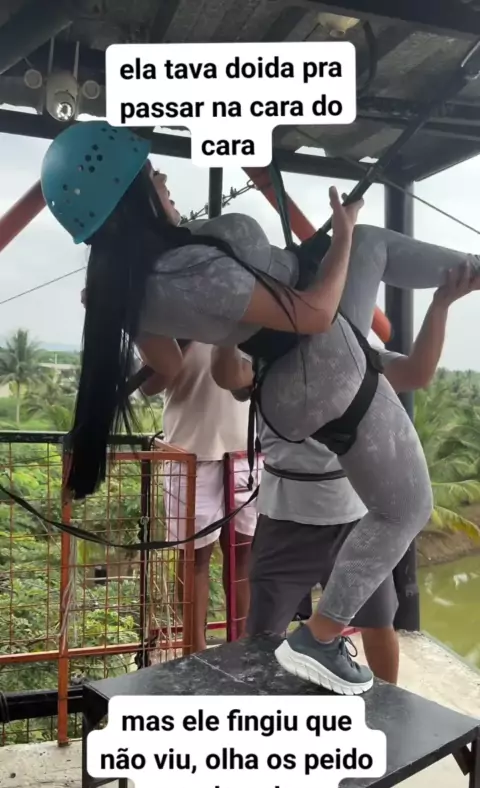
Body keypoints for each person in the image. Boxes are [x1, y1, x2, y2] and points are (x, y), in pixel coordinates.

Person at [41, 120, 480, 695]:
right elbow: (314, 316)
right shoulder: (190, 272)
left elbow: (167, 365)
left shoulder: (144, 279)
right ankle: (320, 638)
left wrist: (139, 312)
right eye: (151, 173)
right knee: (407, 507)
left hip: (311, 365)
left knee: (374, 243)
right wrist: (340, 236)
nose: (163, 177)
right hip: (319, 362)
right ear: (128, 195)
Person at [211, 263, 476, 685]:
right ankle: (261, 711)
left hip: (356, 519)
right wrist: (227, 321)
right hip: (287, 519)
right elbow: (228, 375)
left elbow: (416, 372)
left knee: (379, 623)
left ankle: (389, 708)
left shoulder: (352, 351)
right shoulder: (265, 354)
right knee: (261, 635)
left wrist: (440, 304)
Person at [142, 340, 259, 652]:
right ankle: (196, 652)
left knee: (243, 555)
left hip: (245, 455)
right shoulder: (174, 323)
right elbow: (148, 386)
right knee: (195, 558)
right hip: (190, 457)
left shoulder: (248, 322)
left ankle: (243, 649)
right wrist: (183, 339)